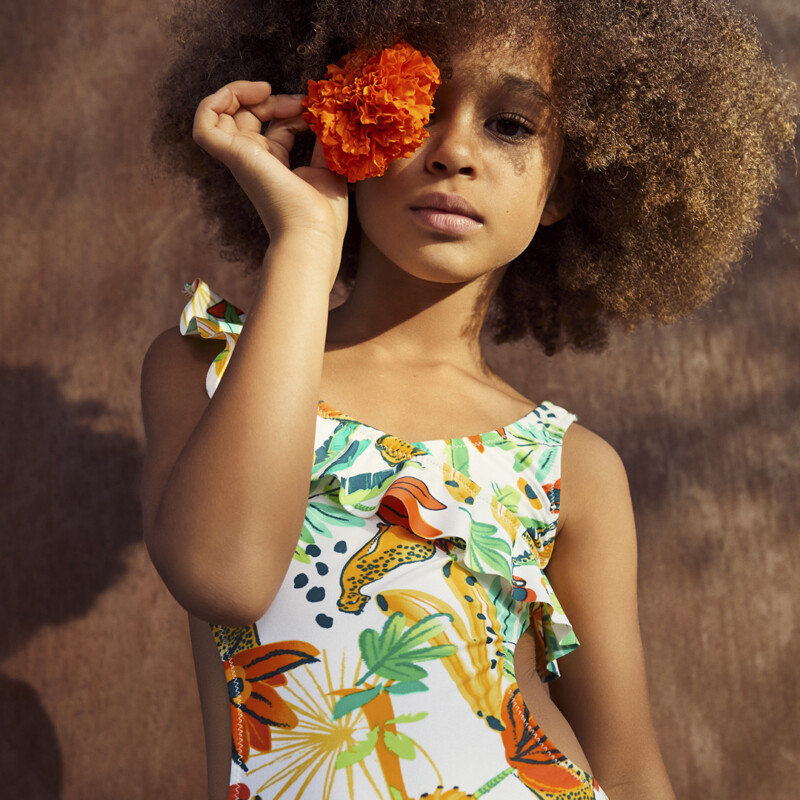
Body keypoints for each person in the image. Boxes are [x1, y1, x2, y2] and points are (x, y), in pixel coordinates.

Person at [141, 1, 796, 799]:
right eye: (417, 107)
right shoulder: (209, 367)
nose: (453, 151)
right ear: (340, 121)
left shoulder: (569, 467)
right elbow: (225, 578)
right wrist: (306, 240)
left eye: (511, 126)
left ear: (563, 186)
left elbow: (628, 769)